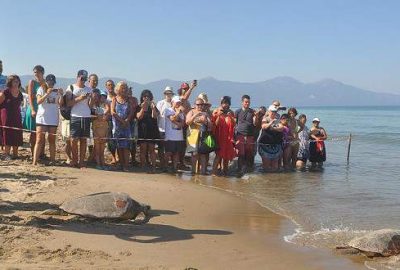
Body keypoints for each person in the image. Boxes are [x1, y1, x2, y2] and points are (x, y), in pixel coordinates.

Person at [32, 74, 63, 165]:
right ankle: (35, 161)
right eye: (49, 82)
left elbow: (60, 104)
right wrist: (47, 93)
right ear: (46, 81)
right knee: (39, 139)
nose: (51, 84)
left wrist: (61, 95)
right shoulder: (41, 89)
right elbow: (38, 102)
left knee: (52, 140)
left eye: (53, 82)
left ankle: (52, 160)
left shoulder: (56, 91)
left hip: (53, 118)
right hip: (42, 118)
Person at [66, 69, 94, 168]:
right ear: (77, 77)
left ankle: (81, 161)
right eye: (82, 78)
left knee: (83, 140)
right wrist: (79, 98)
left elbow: (90, 106)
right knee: (73, 140)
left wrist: (92, 98)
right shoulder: (71, 87)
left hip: (86, 115)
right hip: (75, 116)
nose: (83, 80)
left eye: (85, 79)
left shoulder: (89, 89)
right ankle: (74, 160)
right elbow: (68, 103)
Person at [111, 82, 135, 171]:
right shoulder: (114, 99)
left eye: (125, 88)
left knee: (126, 146)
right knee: (119, 146)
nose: (124, 89)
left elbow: (132, 112)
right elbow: (112, 112)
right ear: (118, 89)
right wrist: (121, 120)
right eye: (122, 88)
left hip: (126, 125)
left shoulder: (129, 100)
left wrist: (126, 120)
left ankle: (126, 165)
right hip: (117, 126)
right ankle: (121, 164)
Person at [234, 95, 261, 173]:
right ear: (242, 102)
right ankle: (239, 170)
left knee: (249, 154)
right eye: (246, 102)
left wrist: (257, 116)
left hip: (250, 135)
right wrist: (234, 136)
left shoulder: (252, 111)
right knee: (241, 154)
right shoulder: (237, 111)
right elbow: (234, 124)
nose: (247, 103)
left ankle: (248, 170)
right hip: (240, 134)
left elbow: (256, 124)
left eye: (249, 102)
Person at [24, 65, 46, 156]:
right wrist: (33, 109)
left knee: (42, 134)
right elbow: (29, 96)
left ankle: (41, 153)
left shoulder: (46, 83)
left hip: (43, 109)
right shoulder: (32, 82)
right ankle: (34, 154)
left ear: (42, 72)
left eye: (38, 72)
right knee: (34, 133)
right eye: (35, 72)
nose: (36, 74)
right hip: (34, 108)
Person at [186, 98, 212, 175]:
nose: (200, 106)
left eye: (201, 104)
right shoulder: (191, 111)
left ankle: (203, 172)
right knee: (194, 154)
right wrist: (196, 116)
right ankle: (193, 171)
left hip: (203, 135)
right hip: (193, 136)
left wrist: (206, 121)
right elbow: (187, 122)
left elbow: (210, 125)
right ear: (195, 105)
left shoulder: (205, 113)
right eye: (198, 105)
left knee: (203, 154)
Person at [211, 96, 236, 176]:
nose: (225, 105)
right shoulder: (216, 111)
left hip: (228, 137)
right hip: (219, 136)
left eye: (227, 103)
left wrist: (230, 117)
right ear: (221, 103)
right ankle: (214, 172)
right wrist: (219, 116)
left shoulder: (231, 112)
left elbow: (234, 124)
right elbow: (215, 124)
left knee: (226, 156)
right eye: (224, 103)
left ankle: (225, 172)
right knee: (218, 155)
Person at [0, 75, 23, 160]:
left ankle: (15, 154)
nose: (16, 83)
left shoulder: (20, 93)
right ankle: (6, 154)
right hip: (6, 115)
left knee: (17, 132)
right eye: (14, 81)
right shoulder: (5, 92)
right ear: (10, 82)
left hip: (16, 115)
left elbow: (19, 105)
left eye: (17, 81)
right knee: (7, 133)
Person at [137, 89, 160, 173]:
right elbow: (138, 117)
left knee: (152, 150)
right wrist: (143, 108)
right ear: (142, 97)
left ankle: (153, 166)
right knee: (143, 149)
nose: (146, 98)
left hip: (152, 130)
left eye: (148, 96)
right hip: (142, 130)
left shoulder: (153, 106)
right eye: (145, 96)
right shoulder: (139, 106)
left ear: (151, 97)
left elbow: (155, 116)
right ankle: (143, 166)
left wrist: (153, 108)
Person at [258, 105, 285, 172]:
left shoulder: (277, 120)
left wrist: (273, 128)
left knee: (275, 166)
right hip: (265, 145)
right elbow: (264, 126)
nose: (274, 113)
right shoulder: (265, 118)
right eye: (272, 111)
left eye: (275, 112)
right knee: (266, 166)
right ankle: (266, 181)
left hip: (275, 145)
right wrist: (271, 123)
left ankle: (273, 181)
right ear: (269, 111)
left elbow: (281, 128)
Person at [164, 96, 186, 172]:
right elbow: (172, 118)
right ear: (172, 102)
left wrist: (177, 121)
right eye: (177, 102)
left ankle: (174, 167)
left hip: (179, 136)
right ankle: (165, 167)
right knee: (168, 152)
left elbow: (182, 124)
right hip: (170, 136)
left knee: (176, 153)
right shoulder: (168, 110)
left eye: (179, 102)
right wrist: (177, 114)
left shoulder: (181, 112)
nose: (178, 104)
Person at [92, 89, 110, 169]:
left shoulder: (105, 122)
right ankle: (98, 164)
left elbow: (107, 130)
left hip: (103, 137)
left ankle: (103, 164)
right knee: (97, 152)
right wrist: (97, 136)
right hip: (97, 138)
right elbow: (94, 130)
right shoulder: (95, 122)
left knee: (102, 152)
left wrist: (105, 136)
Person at [156, 86, 174, 170]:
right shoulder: (160, 103)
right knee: (161, 148)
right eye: (167, 93)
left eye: (170, 93)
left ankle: (166, 164)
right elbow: (157, 115)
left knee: (169, 149)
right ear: (164, 94)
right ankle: (162, 163)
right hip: (161, 129)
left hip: (171, 130)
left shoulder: (174, 103)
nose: (168, 95)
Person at [104, 80, 118, 165]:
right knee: (109, 140)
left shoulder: (118, 97)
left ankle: (118, 157)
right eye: (109, 85)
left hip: (117, 120)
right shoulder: (105, 97)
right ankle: (113, 157)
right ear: (106, 86)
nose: (110, 87)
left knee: (117, 139)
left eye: (112, 85)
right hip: (108, 120)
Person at [87, 74, 99, 163]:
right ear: (89, 80)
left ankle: (94, 158)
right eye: (93, 80)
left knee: (95, 140)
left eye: (96, 80)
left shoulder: (99, 92)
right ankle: (91, 158)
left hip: (97, 121)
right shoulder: (85, 91)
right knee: (89, 140)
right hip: (87, 119)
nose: (95, 82)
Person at [127, 86, 138, 166]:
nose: (129, 93)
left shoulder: (134, 99)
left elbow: (135, 108)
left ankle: (133, 158)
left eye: (130, 92)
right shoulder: (123, 99)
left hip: (133, 122)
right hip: (125, 121)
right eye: (128, 92)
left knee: (133, 141)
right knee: (125, 141)